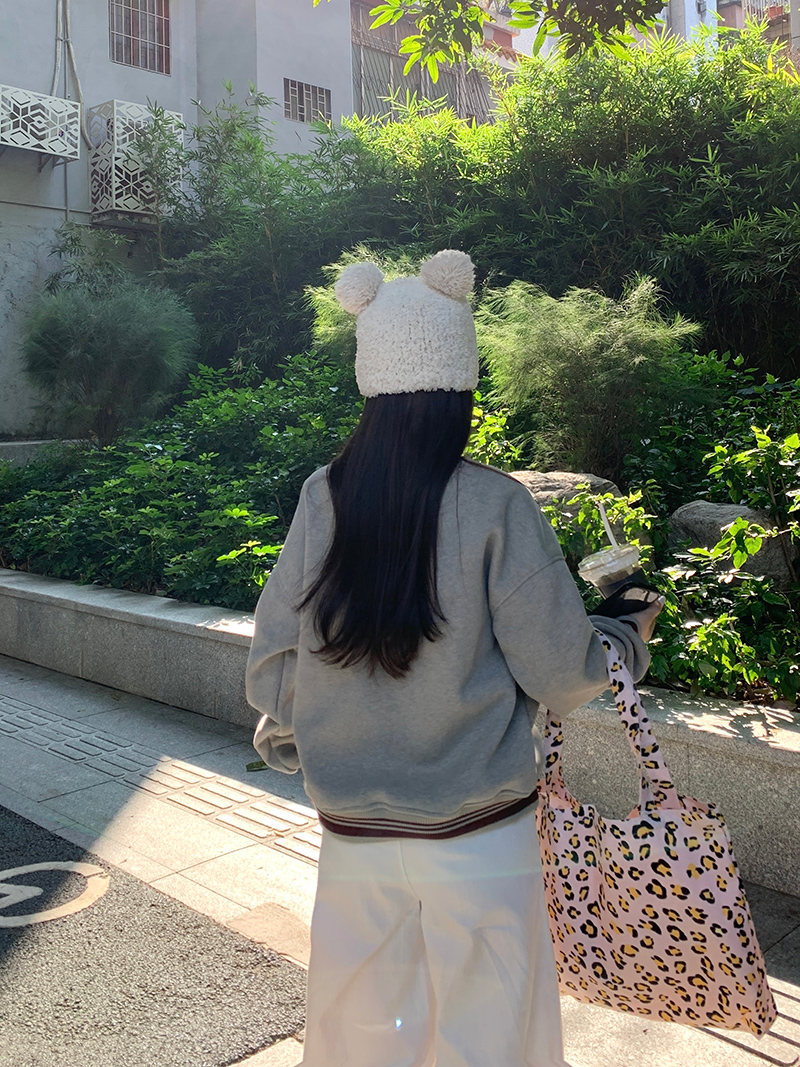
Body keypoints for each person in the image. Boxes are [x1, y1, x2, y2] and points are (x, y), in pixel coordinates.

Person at [245, 249, 664, 1067]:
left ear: (371, 380)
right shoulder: (495, 502)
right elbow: (563, 671)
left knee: (355, 1042)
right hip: (479, 834)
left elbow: (274, 662)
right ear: (460, 383)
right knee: (490, 1041)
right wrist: (624, 634)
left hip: (353, 830)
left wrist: (303, 739)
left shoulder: (323, 496)